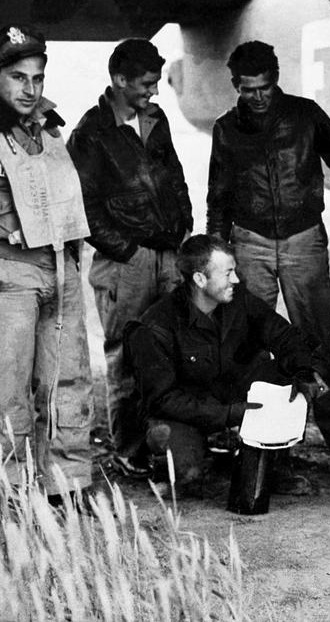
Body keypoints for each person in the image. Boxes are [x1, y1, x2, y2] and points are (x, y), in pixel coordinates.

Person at [206, 40, 330, 462]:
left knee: (319, 346)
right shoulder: (225, 130)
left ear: (276, 79)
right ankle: (264, 455)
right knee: (251, 348)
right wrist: (218, 253)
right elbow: (218, 196)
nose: (258, 97)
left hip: (304, 241)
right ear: (235, 86)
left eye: (264, 87)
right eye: (248, 89)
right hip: (251, 244)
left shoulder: (306, 114)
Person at [68, 39, 194, 476]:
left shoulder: (156, 121)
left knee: (172, 350)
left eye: (156, 83)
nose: (154, 92)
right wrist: (128, 252)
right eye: (145, 84)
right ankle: (128, 449)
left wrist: (183, 226)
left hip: (167, 255)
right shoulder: (90, 132)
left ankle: (172, 447)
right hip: (126, 263)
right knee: (124, 354)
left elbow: (174, 176)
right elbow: (84, 206)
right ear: (119, 81)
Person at [125, 234, 328, 496]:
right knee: (189, 476)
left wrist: (303, 370)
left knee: (282, 377)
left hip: (227, 394)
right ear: (199, 279)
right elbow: (162, 400)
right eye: (228, 273)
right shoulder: (156, 326)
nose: (236, 280)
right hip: (183, 411)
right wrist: (231, 414)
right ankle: (177, 464)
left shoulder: (238, 299)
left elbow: (282, 334)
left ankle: (271, 467)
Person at [0, 24, 93, 497]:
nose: (30, 90)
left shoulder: (49, 128)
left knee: (67, 380)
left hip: (60, 266)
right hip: (8, 273)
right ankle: (11, 493)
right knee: (7, 391)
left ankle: (66, 486)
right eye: (17, 77)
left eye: (37, 78)